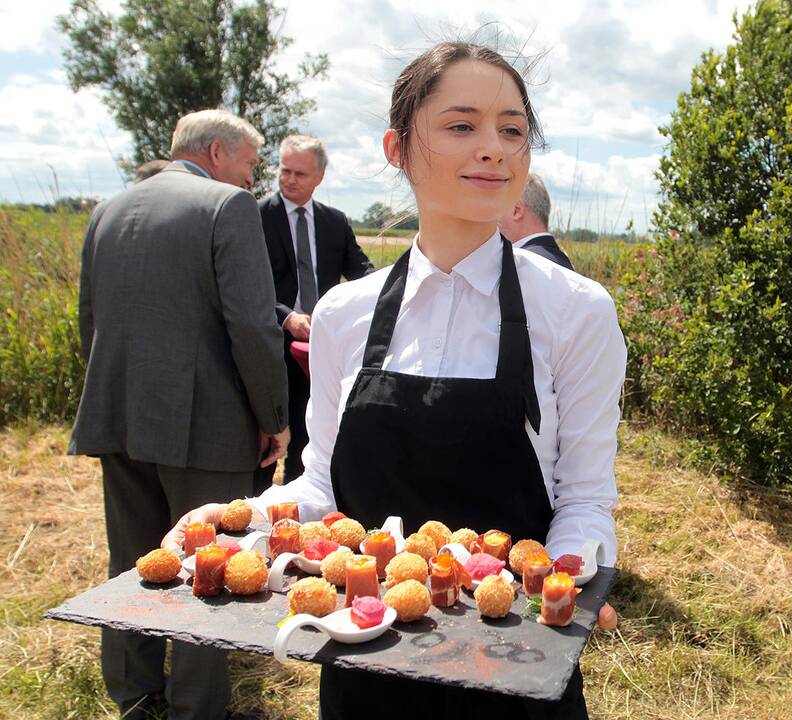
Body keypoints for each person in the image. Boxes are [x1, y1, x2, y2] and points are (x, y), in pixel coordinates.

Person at [163, 42, 623, 718]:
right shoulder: (345, 314)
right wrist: (244, 520)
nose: (494, 147)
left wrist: (561, 582)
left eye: (513, 129)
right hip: (365, 657)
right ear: (397, 148)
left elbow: (585, 499)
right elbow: (322, 484)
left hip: (518, 669)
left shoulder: (576, 311)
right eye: (462, 125)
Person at [70, 109, 290, 720]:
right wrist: (273, 414)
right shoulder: (226, 206)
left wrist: (114, 396)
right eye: (250, 164)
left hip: (120, 415)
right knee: (208, 568)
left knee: (133, 559)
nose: (252, 179)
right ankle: (197, 708)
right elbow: (251, 324)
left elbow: (91, 319)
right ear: (218, 153)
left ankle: (135, 696)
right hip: (207, 424)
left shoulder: (107, 210)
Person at [254, 134, 376, 494]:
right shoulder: (255, 216)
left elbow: (361, 272)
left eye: (300, 174)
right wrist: (286, 316)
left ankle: (296, 520)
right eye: (284, 170)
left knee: (310, 443)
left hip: (319, 349)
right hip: (268, 347)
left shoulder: (334, 222)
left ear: (319, 178)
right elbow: (247, 286)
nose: (289, 179)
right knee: (262, 449)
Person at [496, 172, 574, 270]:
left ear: (516, 210)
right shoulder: (563, 262)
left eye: (496, 208)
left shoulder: (518, 266)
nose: (491, 218)